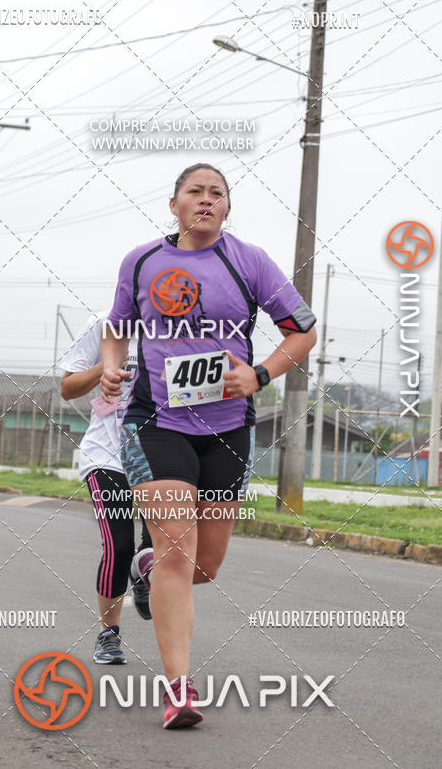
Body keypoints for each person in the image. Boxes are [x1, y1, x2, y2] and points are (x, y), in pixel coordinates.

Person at [100, 163, 317, 728]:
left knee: (205, 565)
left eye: (216, 194)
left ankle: (145, 565)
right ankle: (179, 691)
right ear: (174, 205)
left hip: (228, 428)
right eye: (194, 192)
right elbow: (117, 328)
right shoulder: (142, 261)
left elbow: (304, 330)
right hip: (157, 421)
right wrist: (109, 369)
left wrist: (262, 375)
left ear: (226, 208)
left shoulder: (251, 262)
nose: (205, 200)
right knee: (177, 549)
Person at [60, 311, 153, 665]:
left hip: (160, 455)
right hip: (106, 456)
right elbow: (67, 388)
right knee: (119, 543)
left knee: (159, 547)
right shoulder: (106, 324)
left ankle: (143, 573)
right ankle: (109, 634)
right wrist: (106, 367)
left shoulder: (182, 327)